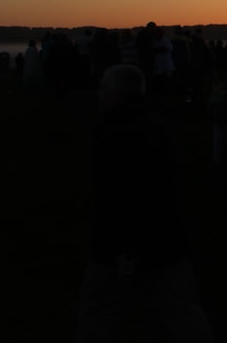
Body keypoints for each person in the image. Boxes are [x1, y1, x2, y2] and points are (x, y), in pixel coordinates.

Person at [76, 64, 213, 342]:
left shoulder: (113, 134)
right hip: (168, 240)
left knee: (97, 311)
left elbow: (121, 194)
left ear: (117, 94)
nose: (98, 93)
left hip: (124, 247)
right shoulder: (158, 127)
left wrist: (124, 246)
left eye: (103, 87)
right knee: (180, 310)